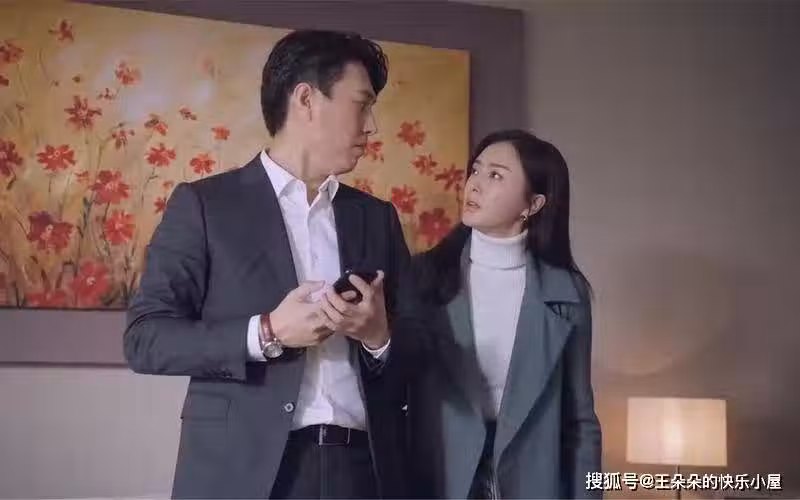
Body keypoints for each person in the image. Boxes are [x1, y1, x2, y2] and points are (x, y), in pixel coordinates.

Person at [125, 29, 421, 499]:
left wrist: (378, 336)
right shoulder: (204, 205)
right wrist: (268, 331)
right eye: (362, 104)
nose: (372, 126)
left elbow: (421, 350)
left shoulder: (376, 217)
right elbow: (146, 340)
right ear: (306, 99)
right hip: (244, 473)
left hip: (365, 473)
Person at [408, 129, 602, 499]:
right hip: (441, 477)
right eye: (476, 170)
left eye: (495, 175)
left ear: (533, 204)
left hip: (533, 481)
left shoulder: (566, 293)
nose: (475, 184)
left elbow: (580, 422)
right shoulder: (425, 277)